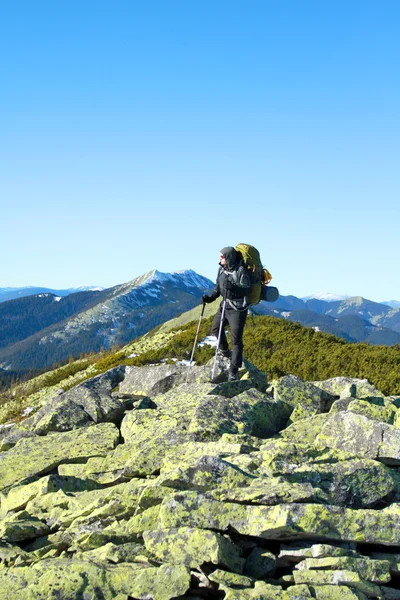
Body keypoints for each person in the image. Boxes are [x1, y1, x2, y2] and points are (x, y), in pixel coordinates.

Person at [201, 247, 251, 381]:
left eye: (222, 257)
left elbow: (247, 290)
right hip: (225, 305)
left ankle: (233, 372)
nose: (220, 259)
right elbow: (218, 288)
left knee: (236, 340)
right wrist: (210, 298)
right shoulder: (221, 270)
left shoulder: (241, 271)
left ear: (229, 257)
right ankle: (224, 351)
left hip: (238, 308)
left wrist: (233, 288)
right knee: (216, 329)